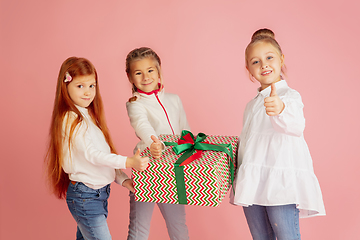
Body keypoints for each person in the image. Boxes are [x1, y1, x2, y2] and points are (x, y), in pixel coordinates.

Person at [231, 29, 326, 240]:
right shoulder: (251, 104)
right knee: (260, 237)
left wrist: (280, 109)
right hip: (253, 183)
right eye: (255, 62)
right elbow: (248, 143)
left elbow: (295, 126)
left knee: (286, 236)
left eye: (269, 58)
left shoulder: (289, 96)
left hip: (280, 184)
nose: (263, 64)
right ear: (248, 69)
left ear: (281, 59)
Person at [44, 57, 149, 240]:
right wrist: (128, 161)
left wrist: (123, 180)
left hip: (97, 196)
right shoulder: (70, 118)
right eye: (80, 86)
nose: (88, 92)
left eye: (92, 86)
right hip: (85, 197)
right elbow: (93, 156)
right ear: (65, 85)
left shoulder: (89, 117)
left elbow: (103, 158)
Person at [125, 47, 190, 240]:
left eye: (150, 70)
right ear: (130, 77)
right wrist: (154, 142)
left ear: (159, 70)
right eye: (138, 72)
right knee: (139, 228)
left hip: (173, 170)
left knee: (178, 224)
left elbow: (186, 132)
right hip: (146, 168)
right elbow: (142, 125)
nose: (145, 77)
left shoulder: (174, 99)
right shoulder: (134, 103)